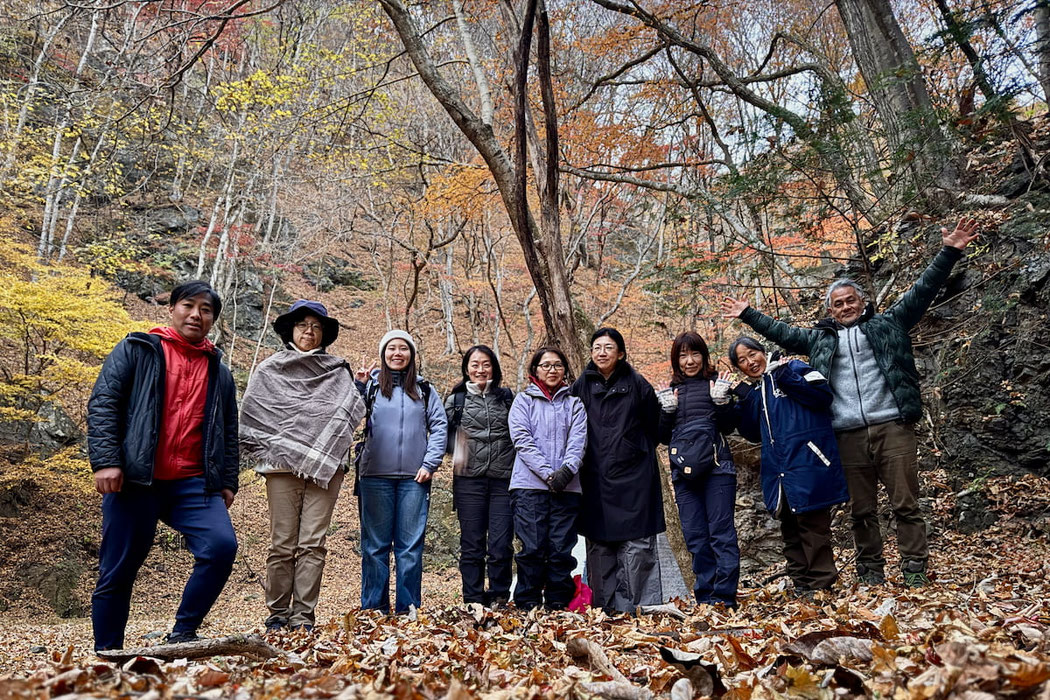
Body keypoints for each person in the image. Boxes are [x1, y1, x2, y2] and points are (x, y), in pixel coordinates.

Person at [721, 218, 979, 586]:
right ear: (830, 311)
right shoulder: (819, 341)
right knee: (861, 510)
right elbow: (782, 333)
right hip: (845, 434)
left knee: (905, 504)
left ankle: (914, 571)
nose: (845, 307)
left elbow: (923, 290)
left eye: (850, 301)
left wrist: (950, 251)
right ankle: (870, 574)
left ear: (862, 302)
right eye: (838, 304)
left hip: (892, 426)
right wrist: (749, 314)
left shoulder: (889, 324)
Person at [87, 281, 238, 651]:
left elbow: (229, 429)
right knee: (118, 569)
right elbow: (104, 403)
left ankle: (183, 633)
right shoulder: (137, 349)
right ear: (172, 309)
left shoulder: (218, 371)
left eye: (206, 310)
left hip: (193, 482)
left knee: (220, 547)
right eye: (188, 305)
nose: (196, 315)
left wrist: (227, 480)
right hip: (136, 479)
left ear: (212, 320)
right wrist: (106, 461)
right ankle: (109, 654)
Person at [239, 300, 365, 631]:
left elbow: (347, 413)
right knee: (282, 543)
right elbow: (255, 413)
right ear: (290, 330)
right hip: (281, 466)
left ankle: (303, 617)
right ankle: (278, 613)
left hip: (326, 468)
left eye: (316, 326)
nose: (309, 331)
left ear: (324, 334)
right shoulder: (269, 369)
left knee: (313, 544)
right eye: (302, 325)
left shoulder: (337, 370)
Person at [728, 337, 850, 597]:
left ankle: (822, 586)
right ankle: (801, 584)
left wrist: (785, 376)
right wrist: (744, 397)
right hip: (779, 470)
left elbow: (822, 396)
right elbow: (752, 433)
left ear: (763, 351)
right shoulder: (759, 388)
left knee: (813, 527)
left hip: (808, 462)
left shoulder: (794, 367)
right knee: (790, 528)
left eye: (752, 354)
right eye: (742, 361)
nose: (750, 362)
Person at [572, 327, 665, 613]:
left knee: (637, 547)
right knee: (600, 546)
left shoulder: (637, 384)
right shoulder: (581, 385)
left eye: (608, 347)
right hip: (595, 478)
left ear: (621, 353)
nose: (602, 353)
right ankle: (605, 611)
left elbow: (655, 428)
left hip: (635, 479)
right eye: (597, 347)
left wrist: (631, 448)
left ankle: (635, 610)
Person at [355, 330, 447, 613]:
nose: (397, 353)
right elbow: (347, 417)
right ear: (383, 354)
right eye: (391, 348)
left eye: (403, 348)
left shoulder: (425, 389)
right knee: (375, 547)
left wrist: (430, 464)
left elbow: (440, 426)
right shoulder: (370, 387)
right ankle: (374, 610)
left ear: (411, 354)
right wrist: (358, 386)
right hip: (374, 475)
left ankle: (408, 610)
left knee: (409, 548)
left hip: (414, 478)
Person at [657, 332, 740, 607]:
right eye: (683, 356)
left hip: (718, 470)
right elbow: (662, 437)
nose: (689, 361)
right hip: (684, 475)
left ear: (704, 356)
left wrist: (723, 403)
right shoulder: (671, 391)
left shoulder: (716, 384)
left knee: (721, 534)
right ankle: (705, 598)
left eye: (695, 354)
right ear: (676, 360)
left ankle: (724, 598)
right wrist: (666, 411)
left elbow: (729, 426)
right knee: (695, 537)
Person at [507, 347, 587, 610]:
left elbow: (578, 441)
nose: (552, 370)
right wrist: (548, 474)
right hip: (529, 486)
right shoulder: (523, 401)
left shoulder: (574, 404)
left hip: (568, 487)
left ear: (565, 370)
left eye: (557, 365)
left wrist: (566, 471)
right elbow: (522, 440)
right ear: (535, 370)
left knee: (560, 548)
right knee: (532, 547)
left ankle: (558, 602)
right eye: (546, 365)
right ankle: (527, 602)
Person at [444, 345, 516, 607]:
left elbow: (521, 432)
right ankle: (473, 600)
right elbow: (442, 437)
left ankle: (499, 597)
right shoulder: (456, 401)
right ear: (466, 369)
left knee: (501, 544)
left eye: (486, 364)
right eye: (475, 364)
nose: (480, 369)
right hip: (468, 481)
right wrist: (458, 448)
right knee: (472, 544)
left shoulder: (507, 398)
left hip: (503, 480)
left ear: (494, 368)